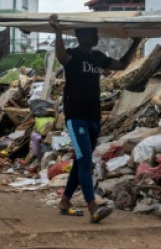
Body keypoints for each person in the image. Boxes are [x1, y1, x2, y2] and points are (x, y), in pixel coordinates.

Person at [50, 14, 141, 223]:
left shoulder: (98, 57)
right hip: (76, 117)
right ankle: (93, 208)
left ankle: (64, 201)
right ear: (81, 36)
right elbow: (61, 56)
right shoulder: (72, 56)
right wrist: (57, 31)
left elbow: (122, 65)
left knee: (80, 161)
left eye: (96, 32)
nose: (96, 36)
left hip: (93, 117)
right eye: (92, 33)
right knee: (84, 162)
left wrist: (135, 42)